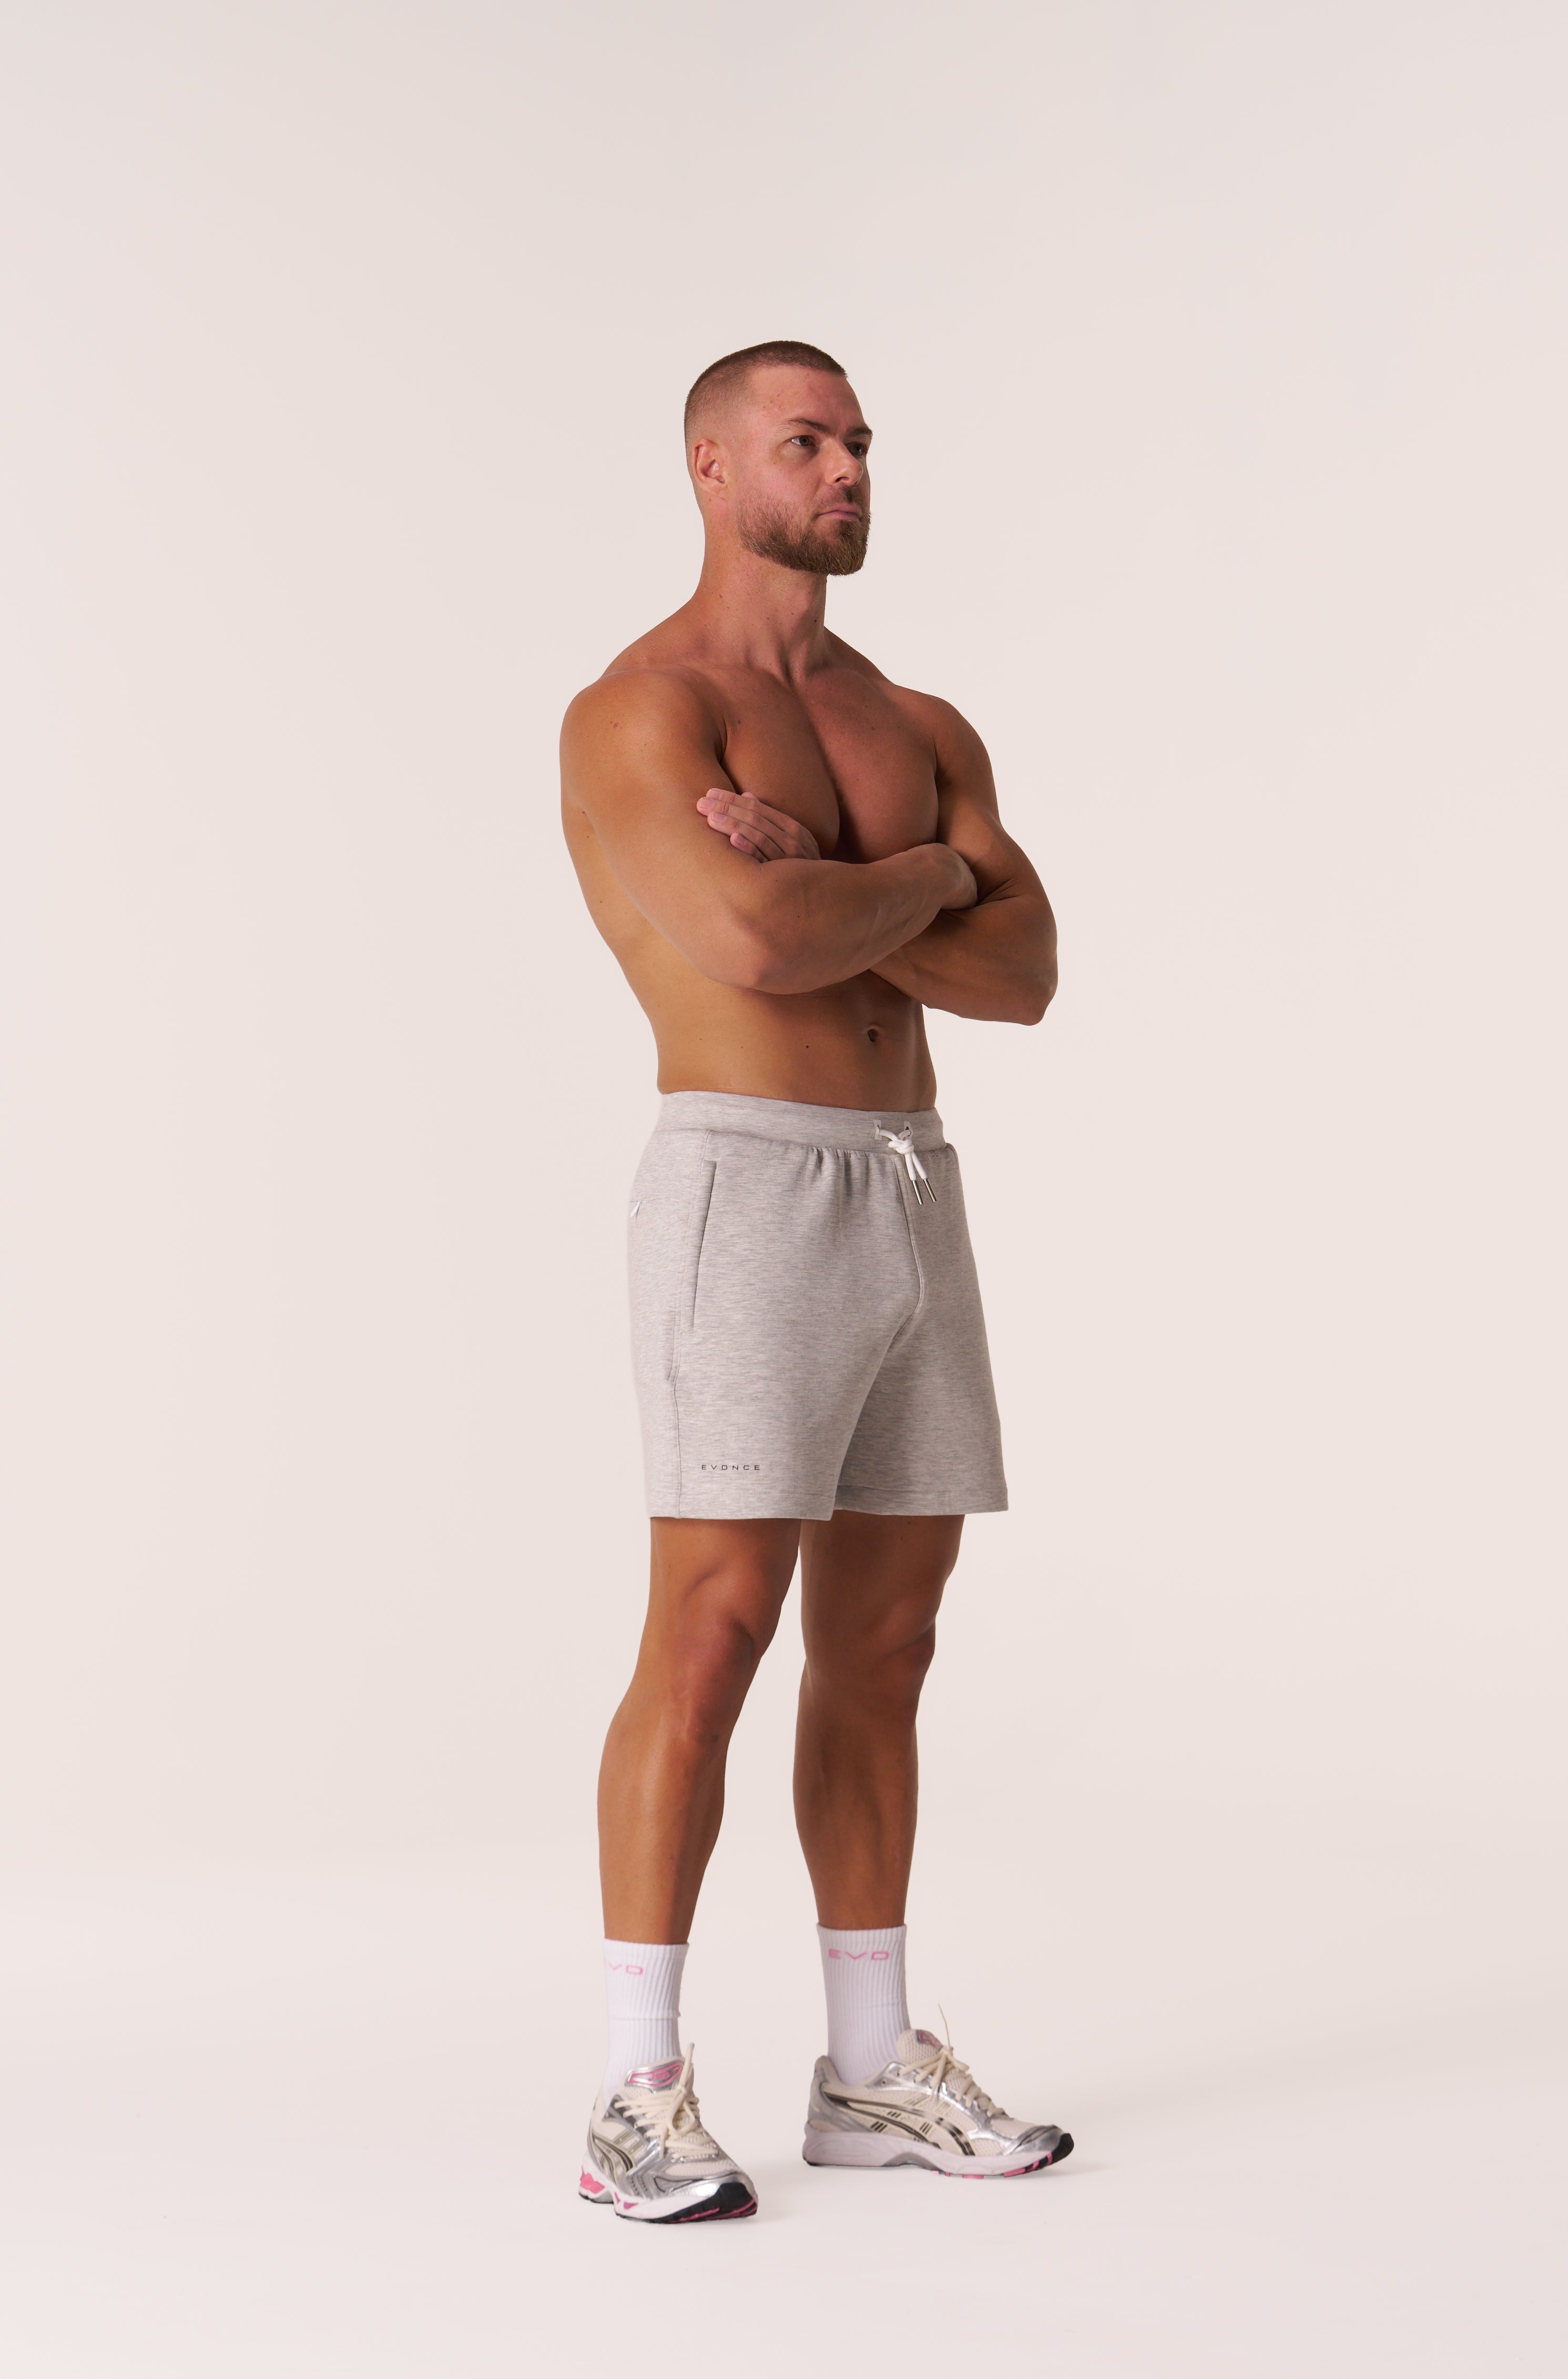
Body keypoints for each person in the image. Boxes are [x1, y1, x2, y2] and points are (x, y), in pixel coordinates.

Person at [560, 340, 1070, 2223]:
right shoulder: (640, 711)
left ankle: (869, 2067)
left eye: (858, 441)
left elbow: (1027, 972)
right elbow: (755, 942)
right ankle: (636, 2091)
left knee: (888, 1640)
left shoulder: (917, 721)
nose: (847, 467)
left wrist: (881, 870)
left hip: (911, 1183)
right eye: (807, 440)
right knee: (711, 1627)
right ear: (713, 468)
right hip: (747, 1184)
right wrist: (931, 884)